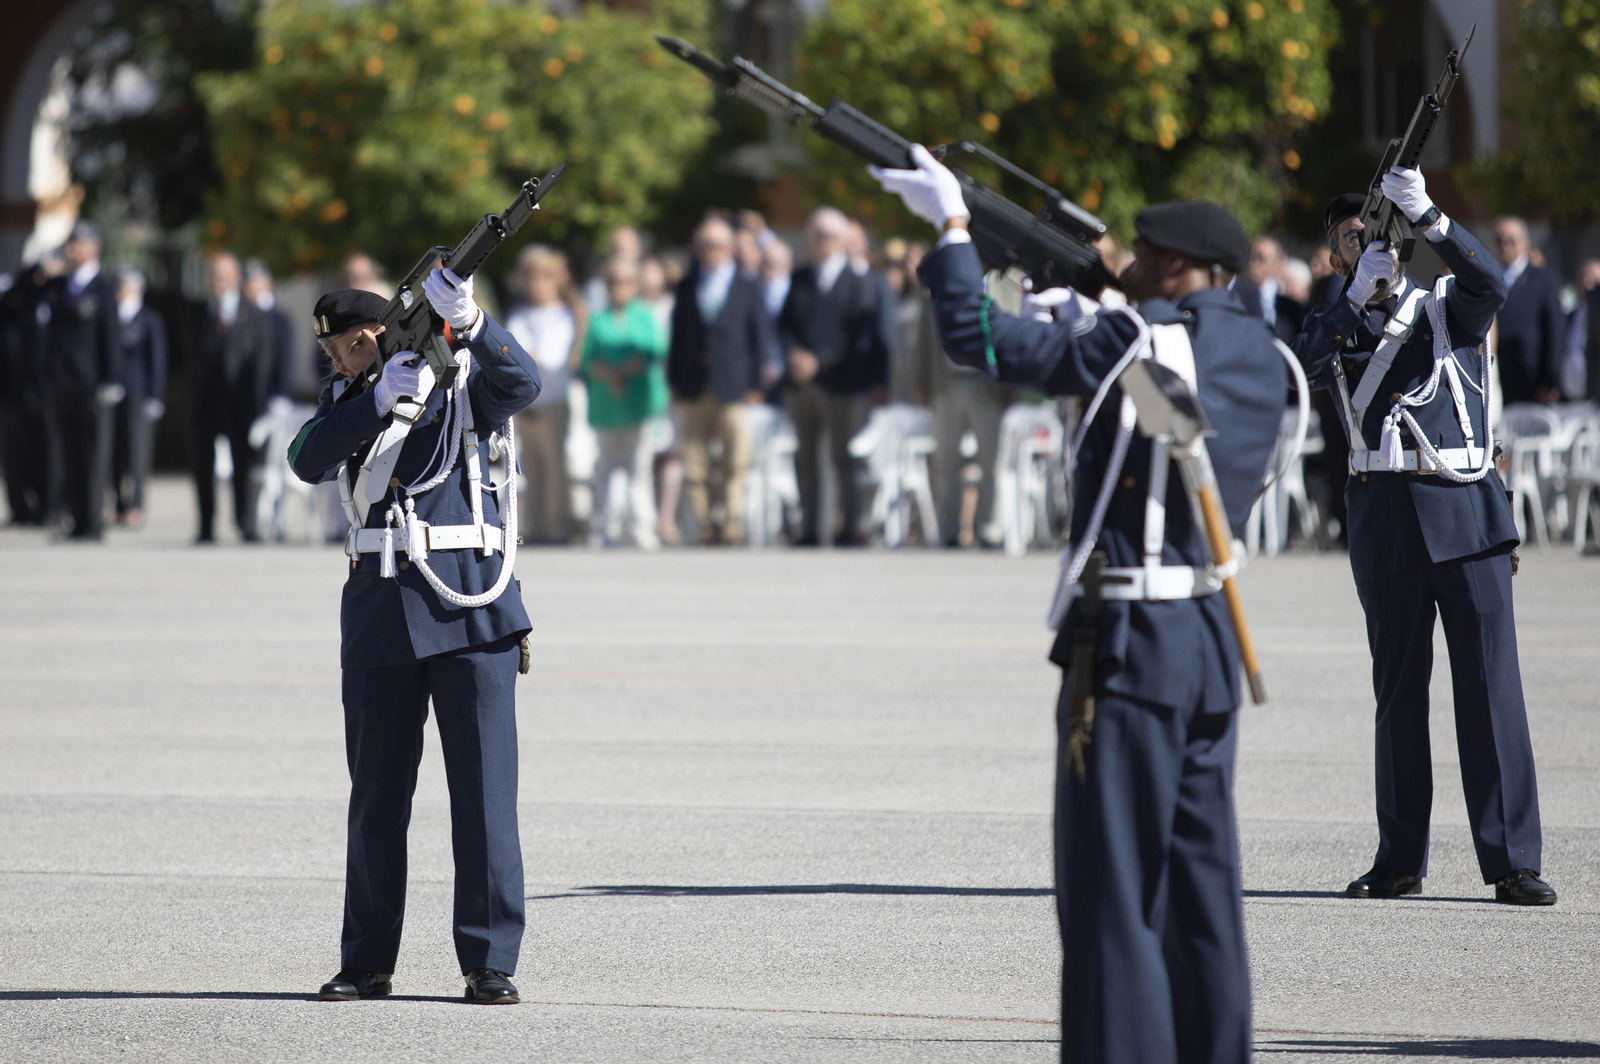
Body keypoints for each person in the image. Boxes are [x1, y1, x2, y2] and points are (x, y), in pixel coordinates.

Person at [873, 145, 1284, 1064]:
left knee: (1111, 896)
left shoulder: (1135, 340)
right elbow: (1154, 403)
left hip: (1130, 645)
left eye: (1139, 256)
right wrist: (1087, 306)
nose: (1125, 266)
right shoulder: (1256, 347)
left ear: (1178, 267)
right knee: (1201, 893)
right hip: (1211, 639)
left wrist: (951, 231)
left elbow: (978, 339)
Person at [1292, 173, 1554, 906]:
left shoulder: (1444, 306)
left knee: (1490, 690)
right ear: (1335, 254)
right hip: (1386, 516)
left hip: (1464, 511)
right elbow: (1305, 368)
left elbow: (1491, 284)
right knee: (1399, 696)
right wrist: (1350, 300)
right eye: (1351, 235)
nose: (1366, 240)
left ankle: (1511, 861)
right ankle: (1399, 856)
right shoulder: (1332, 318)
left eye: (1375, 230)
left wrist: (1429, 213)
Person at [289, 267, 540, 1005]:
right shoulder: (350, 396)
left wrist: (474, 321)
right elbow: (307, 459)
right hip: (381, 606)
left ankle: (489, 960)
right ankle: (366, 960)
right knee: (376, 798)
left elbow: (523, 383)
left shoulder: (467, 381)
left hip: (470, 602)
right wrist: (372, 399)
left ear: (370, 336)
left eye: (341, 350)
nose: (333, 364)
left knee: (485, 795)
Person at [779, 207, 892, 546]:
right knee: (806, 456)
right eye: (816, 235)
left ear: (842, 240)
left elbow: (859, 337)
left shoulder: (860, 283)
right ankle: (811, 525)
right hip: (803, 384)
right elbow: (785, 325)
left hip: (843, 383)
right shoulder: (800, 279)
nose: (820, 242)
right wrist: (796, 355)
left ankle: (852, 524)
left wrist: (820, 361)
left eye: (827, 236)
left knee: (846, 458)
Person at [667, 215, 774, 545]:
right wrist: (674, 383)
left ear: (729, 248)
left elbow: (759, 338)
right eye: (703, 245)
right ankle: (702, 524)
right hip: (694, 383)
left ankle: (730, 524)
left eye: (714, 245)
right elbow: (678, 337)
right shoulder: (688, 284)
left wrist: (756, 385)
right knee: (695, 462)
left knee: (735, 460)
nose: (708, 251)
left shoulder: (747, 284)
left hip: (733, 385)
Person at [580, 258, 666, 549]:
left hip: (637, 404)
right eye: (613, 281)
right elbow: (586, 359)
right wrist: (609, 375)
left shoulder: (644, 315)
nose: (619, 288)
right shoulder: (598, 319)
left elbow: (653, 350)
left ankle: (641, 529)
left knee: (639, 469)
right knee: (604, 469)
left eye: (625, 282)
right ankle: (603, 527)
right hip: (606, 405)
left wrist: (623, 372)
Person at [43, 221, 121, 541]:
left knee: (93, 456)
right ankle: (76, 520)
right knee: (70, 454)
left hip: (92, 386)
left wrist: (111, 380)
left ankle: (92, 522)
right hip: (64, 384)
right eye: (70, 243)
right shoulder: (60, 286)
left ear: (94, 248)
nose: (72, 249)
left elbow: (110, 336)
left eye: (79, 243)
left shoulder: (103, 287)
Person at [190, 252, 273, 543]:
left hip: (241, 403)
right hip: (205, 403)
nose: (219, 281)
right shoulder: (196, 312)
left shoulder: (254, 313)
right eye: (214, 274)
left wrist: (260, 402)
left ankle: (245, 524)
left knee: (244, 466)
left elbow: (262, 360)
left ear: (237, 278)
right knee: (202, 467)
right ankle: (205, 526)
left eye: (225, 275)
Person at [507, 245, 580, 544]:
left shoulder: (564, 314)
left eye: (543, 276)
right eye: (531, 276)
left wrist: (526, 355)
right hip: (525, 404)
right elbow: (510, 353)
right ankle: (534, 526)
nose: (536, 282)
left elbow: (552, 359)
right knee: (531, 466)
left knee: (554, 466)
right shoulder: (521, 314)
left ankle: (557, 527)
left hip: (552, 401)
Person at [0, 256, 63, 526]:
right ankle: (21, 509)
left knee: (50, 454)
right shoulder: (16, 305)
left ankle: (50, 507)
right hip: (12, 391)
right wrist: (34, 270)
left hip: (48, 391)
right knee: (14, 455)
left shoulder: (56, 300)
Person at [110, 269, 167, 527]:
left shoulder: (149, 319)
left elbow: (157, 359)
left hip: (139, 394)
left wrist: (155, 395)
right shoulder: (113, 316)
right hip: (114, 394)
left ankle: (137, 505)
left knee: (138, 453)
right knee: (113, 452)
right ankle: (118, 504)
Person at [1491, 217, 1565, 405]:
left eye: (1511, 241)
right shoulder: (1490, 280)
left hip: (1531, 379)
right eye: (1500, 241)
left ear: (1525, 243)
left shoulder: (1543, 279)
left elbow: (1555, 331)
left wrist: (1549, 381)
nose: (1505, 246)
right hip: (1498, 378)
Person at [244, 259, 295, 408]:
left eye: (255, 280)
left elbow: (285, 358)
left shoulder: (279, 319)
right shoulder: (243, 316)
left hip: (272, 395)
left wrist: (282, 394)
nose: (250, 285)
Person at [1242, 236, 1306, 342]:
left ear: (1279, 263)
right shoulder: (1237, 299)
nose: (1253, 264)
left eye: (1260, 259)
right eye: (1250, 257)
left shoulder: (1292, 309)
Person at [1560, 257, 1600, 400]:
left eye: (1594, 281)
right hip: (1569, 396)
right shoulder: (1571, 315)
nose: (1588, 285)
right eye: (1584, 279)